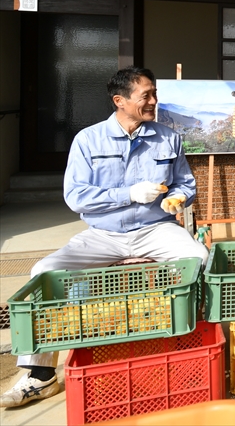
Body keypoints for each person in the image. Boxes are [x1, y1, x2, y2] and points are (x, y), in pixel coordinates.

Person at [1, 66, 206, 409]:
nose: (154, 101)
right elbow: (76, 196)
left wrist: (179, 198)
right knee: (43, 272)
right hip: (103, 233)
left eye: (154, 94)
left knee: (199, 258)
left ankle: (193, 348)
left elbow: (186, 182)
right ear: (120, 101)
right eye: (146, 96)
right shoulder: (87, 140)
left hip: (155, 229)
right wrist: (128, 194)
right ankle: (40, 374)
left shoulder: (169, 137)